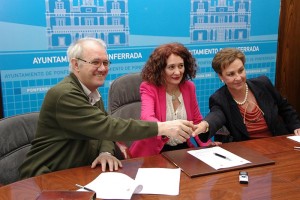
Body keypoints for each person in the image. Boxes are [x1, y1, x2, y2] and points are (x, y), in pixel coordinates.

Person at [19, 38, 197, 179]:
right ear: (75, 65)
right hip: (48, 175)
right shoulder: (65, 94)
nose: (103, 68)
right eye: (96, 62)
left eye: (106, 62)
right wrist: (164, 127)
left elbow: (102, 129)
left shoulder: (91, 92)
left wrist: (105, 151)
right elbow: (107, 126)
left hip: (82, 170)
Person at [129, 43, 219, 158]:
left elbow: (196, 120)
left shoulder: (189, 87)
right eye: (171, 67)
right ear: (160, 69)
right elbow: (147, 118)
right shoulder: (149, 87)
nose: (177, 72)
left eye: (181, 66)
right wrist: (167, 128)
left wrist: (206, 144)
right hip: (154, 152)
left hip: (181, 149)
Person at [195, 48, 300, 143]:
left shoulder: (263, 84)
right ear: (220, 76)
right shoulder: (219, 99)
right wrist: (205, 125)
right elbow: (216, 116)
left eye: (241, 70)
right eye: (231, 74)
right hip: (249, 152)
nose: (238, 77)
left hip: (279, 143)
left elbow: (285, 107)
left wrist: (296, 126)